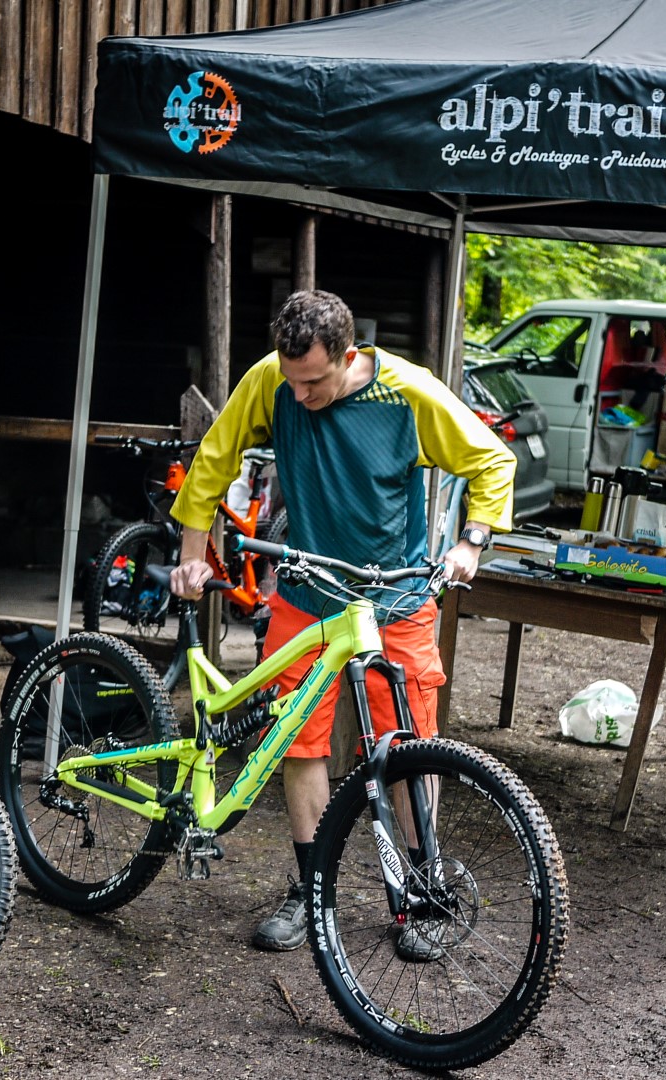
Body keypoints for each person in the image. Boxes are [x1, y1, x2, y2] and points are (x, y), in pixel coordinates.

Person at [167, 289, 516, 957]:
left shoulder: (407, 394)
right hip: (308, 594)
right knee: (300, 743)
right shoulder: (272, 380)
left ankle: (425, 890)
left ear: (349, 357)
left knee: (410, 750)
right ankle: (312, 887)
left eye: (315, 382)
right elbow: (213, 460)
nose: (299, 397)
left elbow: (491, 460)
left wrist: (471, 541)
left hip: (396, 597)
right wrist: (190, 556)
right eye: (292, 381)